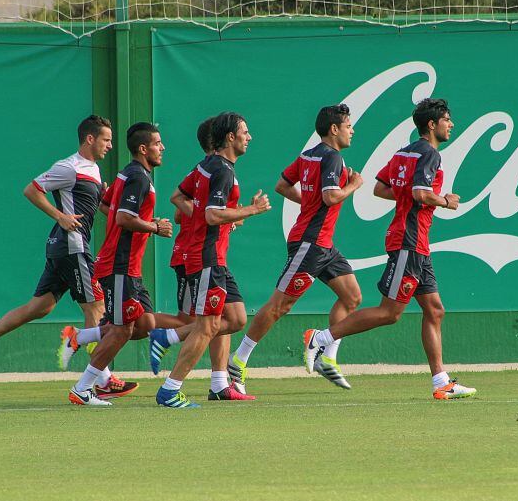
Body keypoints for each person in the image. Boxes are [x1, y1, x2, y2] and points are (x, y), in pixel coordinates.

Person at [303, 98, 477, 400]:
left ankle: (441, 383)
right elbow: (422, 193)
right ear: (432, 124)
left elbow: (381, 188)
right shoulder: (430, 154)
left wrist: (411, 196)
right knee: (389, 313)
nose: (452, 125)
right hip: (408, 242)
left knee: (434, 310)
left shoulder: (404, 152)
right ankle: (322, 337)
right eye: (447, 120)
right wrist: (444, 201)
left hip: (417, 243)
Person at [0, 116, 132, 398]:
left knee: (40, 307)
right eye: (106, 140)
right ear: (90, 139)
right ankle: (102, 380)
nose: (110, 145)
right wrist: (60, 216)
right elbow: (32, 189)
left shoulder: (94, 171)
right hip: (71, 247)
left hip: (63, 247)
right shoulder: (69, 167)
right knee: (96, 308)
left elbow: (99, 207)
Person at [227, 104, 363, 393]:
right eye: (348, 125)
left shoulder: (308, 155)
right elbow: (330, 197)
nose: (353, 130)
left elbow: (282, 185)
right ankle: (238, 359)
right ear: (334, 129)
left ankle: (328, 357)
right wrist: (353, 185)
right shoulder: (334, 158)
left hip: (324, 244)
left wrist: (310, 202)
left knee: (351, 297)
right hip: (310, 243)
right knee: (280, 305)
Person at [155, 112, 271, 408]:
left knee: (236, 319)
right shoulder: (221, 170)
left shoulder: (206, 166)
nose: (250, 137)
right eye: (245, 132)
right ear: (230, 137)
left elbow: (179, 196)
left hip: (213, 255)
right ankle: (170, 389)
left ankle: (169, 338)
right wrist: (251, 210)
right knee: (207, 326)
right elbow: (211, 214)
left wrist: (206, 222)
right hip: (207, 257)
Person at [68, 122, 173, 406]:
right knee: (122, 329)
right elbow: (122, 218)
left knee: (145, 324)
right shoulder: (137, 176)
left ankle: (79, 337)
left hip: (130, 267)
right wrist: (154, 226)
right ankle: (83, 388)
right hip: (119, 264)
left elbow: (107, 206)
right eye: (157, 143)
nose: (162, 148)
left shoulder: (129, 174)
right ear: (143, 149)